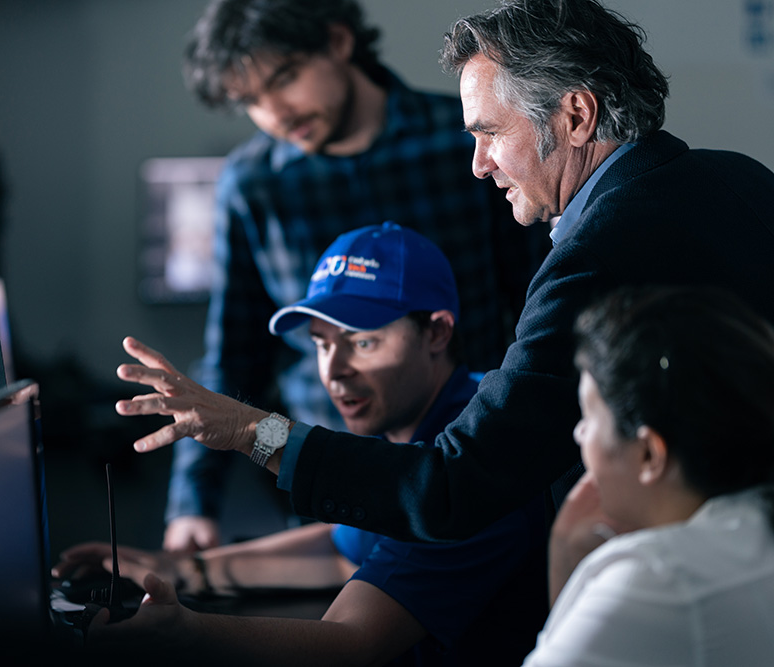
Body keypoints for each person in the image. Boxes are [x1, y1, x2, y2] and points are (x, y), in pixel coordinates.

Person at [114, 0, 774, 546]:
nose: (479, 165)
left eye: (488, 134)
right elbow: (234, 348)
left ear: (576, 116)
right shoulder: (744, 178)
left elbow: (457, 483)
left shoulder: (588, 255)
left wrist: (251, 431)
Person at [61, 224, 549, 665]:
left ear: (437, 332)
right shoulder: (416, 424)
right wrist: (185, 569)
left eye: (362, 342)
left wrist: (186, 634)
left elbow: (351, 641)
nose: (333, 372)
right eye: (320, 342)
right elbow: (342, 549)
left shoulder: (475, 456)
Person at [164, 0, 550, 553]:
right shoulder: (252, 186)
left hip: (470, 468)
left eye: (285, 78)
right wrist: (192, 506)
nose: (274, 112)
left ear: (339, 42)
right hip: (325, 485)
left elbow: (535, 300)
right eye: (249, 101)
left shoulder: (468, 144)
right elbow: (234, 351)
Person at [521, 285, 774, 666]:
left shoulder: (656, 578)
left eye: (588, 417)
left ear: (649, 454)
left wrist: (565, 558)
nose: (579, 434)